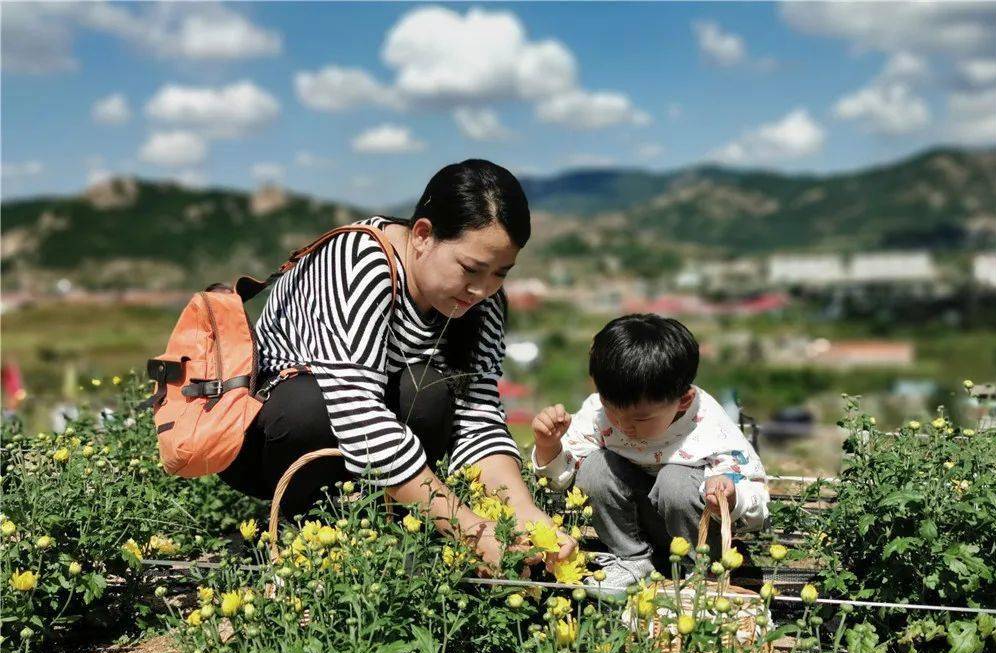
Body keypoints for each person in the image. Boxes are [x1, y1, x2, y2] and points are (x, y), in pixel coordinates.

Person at [219, 159, 575, 571]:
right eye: (470, 269)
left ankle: (383, 528)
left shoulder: (484, 303)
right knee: (310, 404)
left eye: (500, 273)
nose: (482, 289)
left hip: (367, 448)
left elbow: (478, 418)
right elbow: (356, 410)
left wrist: (524, 513)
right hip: (272, 438)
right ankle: (307, 535)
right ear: (422, 235)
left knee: (429, 391)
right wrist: (470, 528)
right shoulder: (360, 264)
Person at [530, 314, 769, 589]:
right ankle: (633, 560)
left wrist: (730, 496)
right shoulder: (598, 414)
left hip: (696, 532)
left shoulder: (708, 427)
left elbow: (757, 503)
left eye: (640, 420)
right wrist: (549, 445)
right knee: (595, 467)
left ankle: (701, 573)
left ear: (683, 401)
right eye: (611, 410)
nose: (622, 427)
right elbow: (562, 480)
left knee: (675, 480)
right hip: (635, 525)